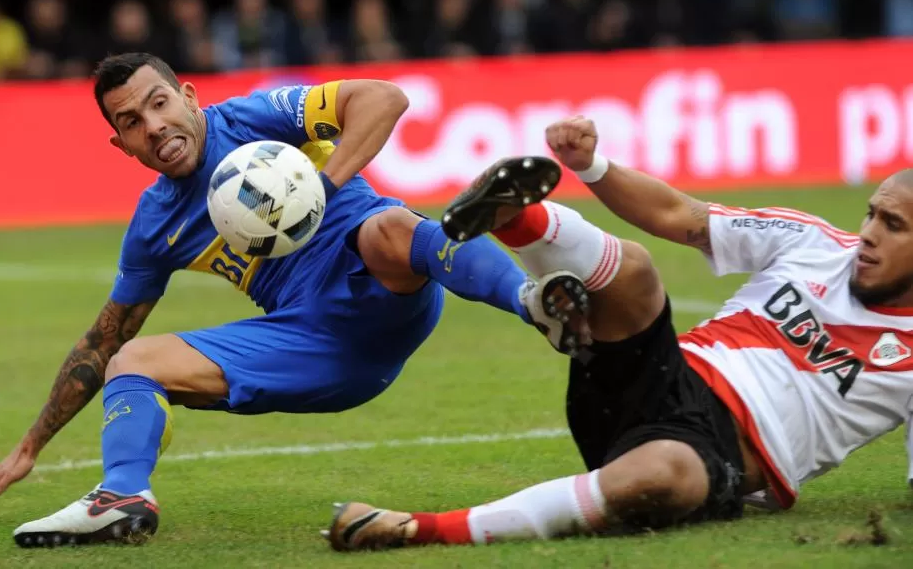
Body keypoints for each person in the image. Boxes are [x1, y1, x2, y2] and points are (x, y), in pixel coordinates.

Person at [0, 52, 583, 548]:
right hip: (309, 344)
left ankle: (535, 305)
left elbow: (385, 99)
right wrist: (31, 445)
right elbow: (101, 339)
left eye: (160, 103)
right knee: (131, 361)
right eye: (132, 123)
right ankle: (123, 500)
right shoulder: (152, 227)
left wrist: (320, 190)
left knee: (392, 227)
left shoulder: (252, 119)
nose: (155, 126)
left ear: (189, 97)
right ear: (122, 145)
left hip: (383, 284)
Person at [324, 115, 913, 551]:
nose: (867, 233)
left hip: (710, 459)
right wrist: (591, 167)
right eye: (870, 214)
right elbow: (680, 218)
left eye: (892, 225)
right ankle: (519, 217)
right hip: (660, 376)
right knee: (634, 269)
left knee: (661, 477)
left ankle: (417, 530)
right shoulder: (813, 242)